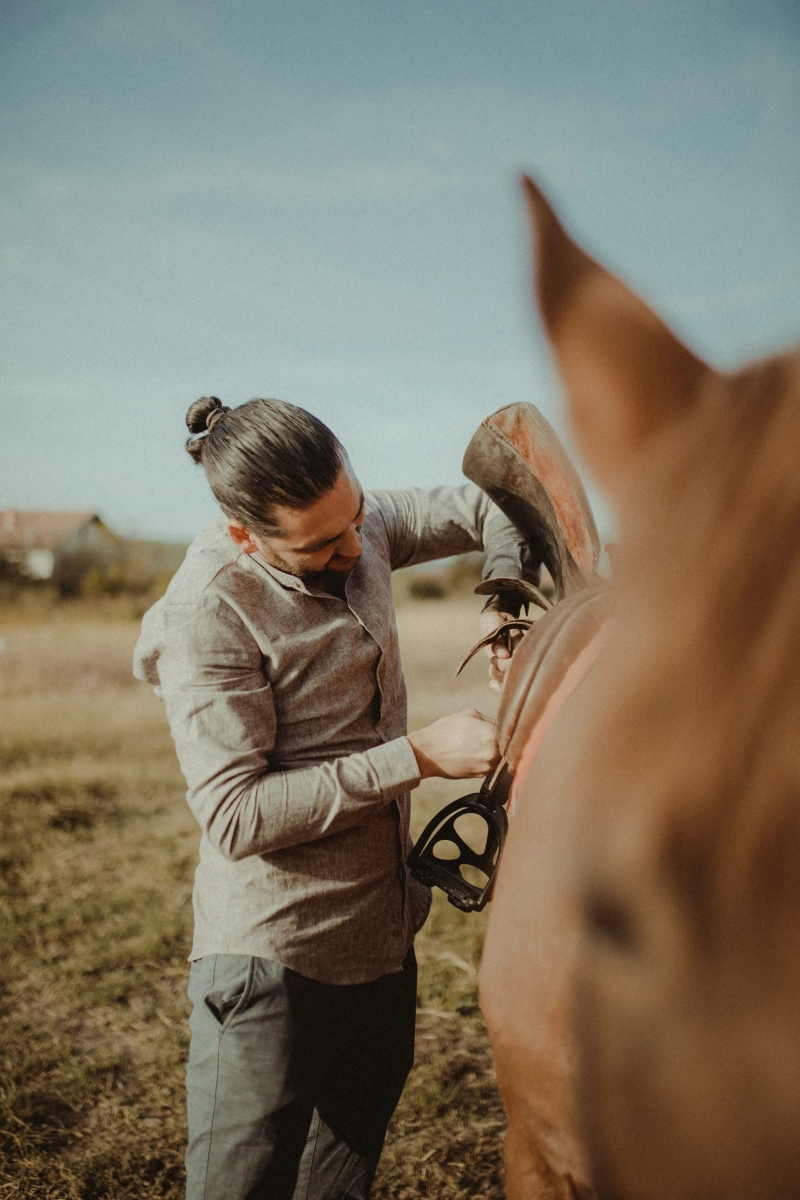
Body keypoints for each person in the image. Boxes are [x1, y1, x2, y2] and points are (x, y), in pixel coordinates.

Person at [133, 395, 531, 1200]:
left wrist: (503, 597)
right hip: (270, 967)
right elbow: (235, 815)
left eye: (355, 515)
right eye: (321, 543)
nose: (358, 546)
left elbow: (501, 497)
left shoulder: (360, 523)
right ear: (247, 536)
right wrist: (415, 757)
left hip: (383, 946)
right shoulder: (207, 613)